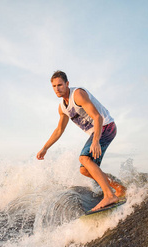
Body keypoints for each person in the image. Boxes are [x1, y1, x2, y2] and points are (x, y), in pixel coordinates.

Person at [37, 70, 126, 212]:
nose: (57, 89)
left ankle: (109, 195)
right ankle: (119, 188)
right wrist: (45, 148)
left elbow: (98, 117)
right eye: (54, 86)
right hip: (96, 132)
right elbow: (59, 129)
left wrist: (96, 140)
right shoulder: (62, 108)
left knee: (84, 158)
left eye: (60, 85)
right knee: (84, 169)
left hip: (106, 126)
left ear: (67, 84)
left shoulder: (77, 94)